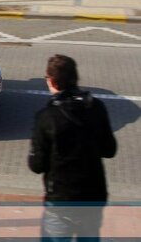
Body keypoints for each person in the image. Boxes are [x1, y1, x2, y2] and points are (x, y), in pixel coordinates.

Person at [28, 54, 117, 241]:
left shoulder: (46, 117)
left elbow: (37, 165)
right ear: (75, 78)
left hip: (61, 201)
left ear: (52, 81)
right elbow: (110, 150)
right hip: (94, 195)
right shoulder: (97, 107)